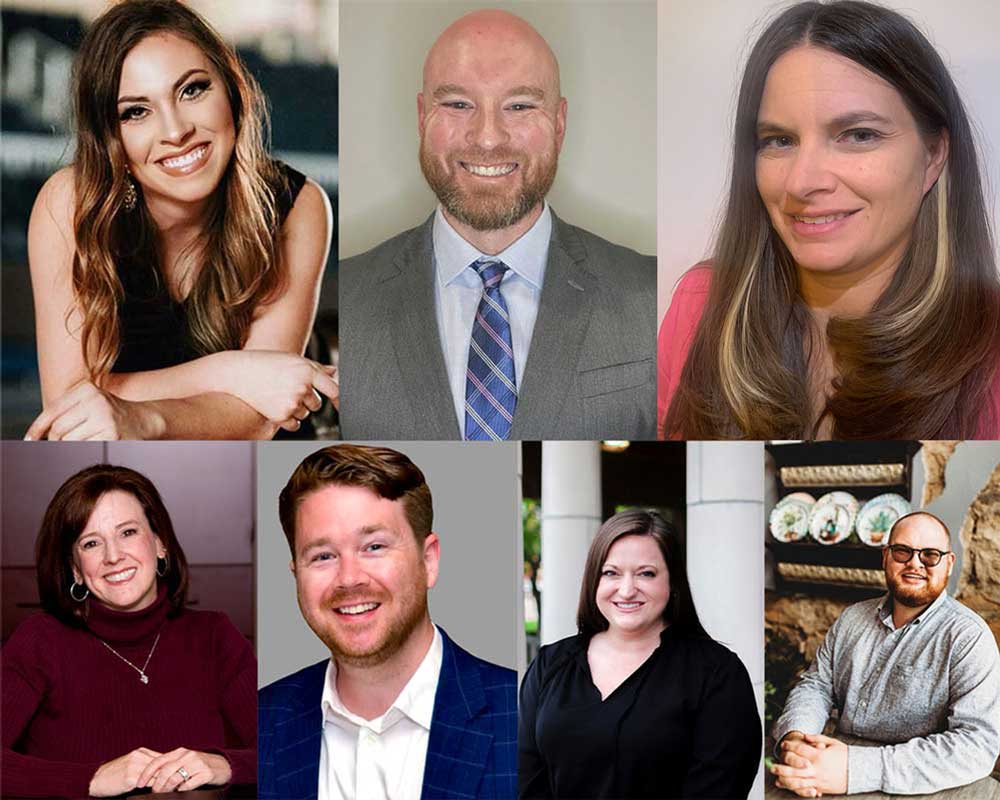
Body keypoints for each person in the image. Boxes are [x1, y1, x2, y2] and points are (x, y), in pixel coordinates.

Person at [659, 0, 1000, 440]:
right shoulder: (702, 305)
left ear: (933, 155)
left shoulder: (989, 352)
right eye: (779, 140)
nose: (803, 182)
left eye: (859, 135)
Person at [25, 0, 335, 441]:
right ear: (111, 138)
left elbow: (262, 413)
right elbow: (67, 410)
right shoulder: (70, 203)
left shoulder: (297, 204)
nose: (175, 131)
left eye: (192, 90)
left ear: (231, 90)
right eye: (136, 112)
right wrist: (232, 370)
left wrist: (141, 417)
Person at [339, 9, 655, 441]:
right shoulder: (345, 301)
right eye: (457, 104)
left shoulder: (652, 296)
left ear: (559, 123)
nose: (487, 138)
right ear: (421, 118)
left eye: (520, 106)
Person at [258, 444, 517, 799]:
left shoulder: (519, 712)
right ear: (296, 575)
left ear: (429, 561)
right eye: (322, 555)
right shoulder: (262, 721)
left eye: (374, 547)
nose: (349, 578)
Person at [1, 464, 257, 798]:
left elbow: (292, 750)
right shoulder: (39, 641)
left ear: (160, 544)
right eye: (91, 543)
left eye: (128, 532)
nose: (113, 556)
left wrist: (223, 765)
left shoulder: (214, 636)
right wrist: (92, 779)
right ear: (76, 570)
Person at [518, 509, 761, 799]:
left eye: (646, 573)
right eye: (611, 573)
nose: (627, 589)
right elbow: (524, 775)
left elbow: (719, 788)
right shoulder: (550, 663)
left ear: (672, 583)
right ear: (594, 580)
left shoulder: (717, 673)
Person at [771, 512, 1000, 797]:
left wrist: (856, 769)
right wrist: (798, 737)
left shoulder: (968, 637)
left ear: (949, 564)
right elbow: (816, 685)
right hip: (831, 763)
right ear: (885, 557)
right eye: (902, 551)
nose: (914, 563)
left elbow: (977, 745)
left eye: (930, 555)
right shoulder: (851, 619)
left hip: (922, 785)